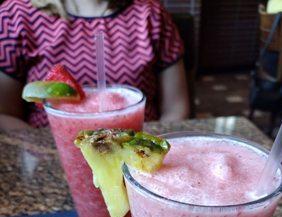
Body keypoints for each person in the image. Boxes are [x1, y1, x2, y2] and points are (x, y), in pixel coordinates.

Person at [0, 0, 190, 130]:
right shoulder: (15, 15)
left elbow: (176, 108)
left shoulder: (151, 14)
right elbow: (4, 114)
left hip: (135, 153)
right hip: (50, 155)